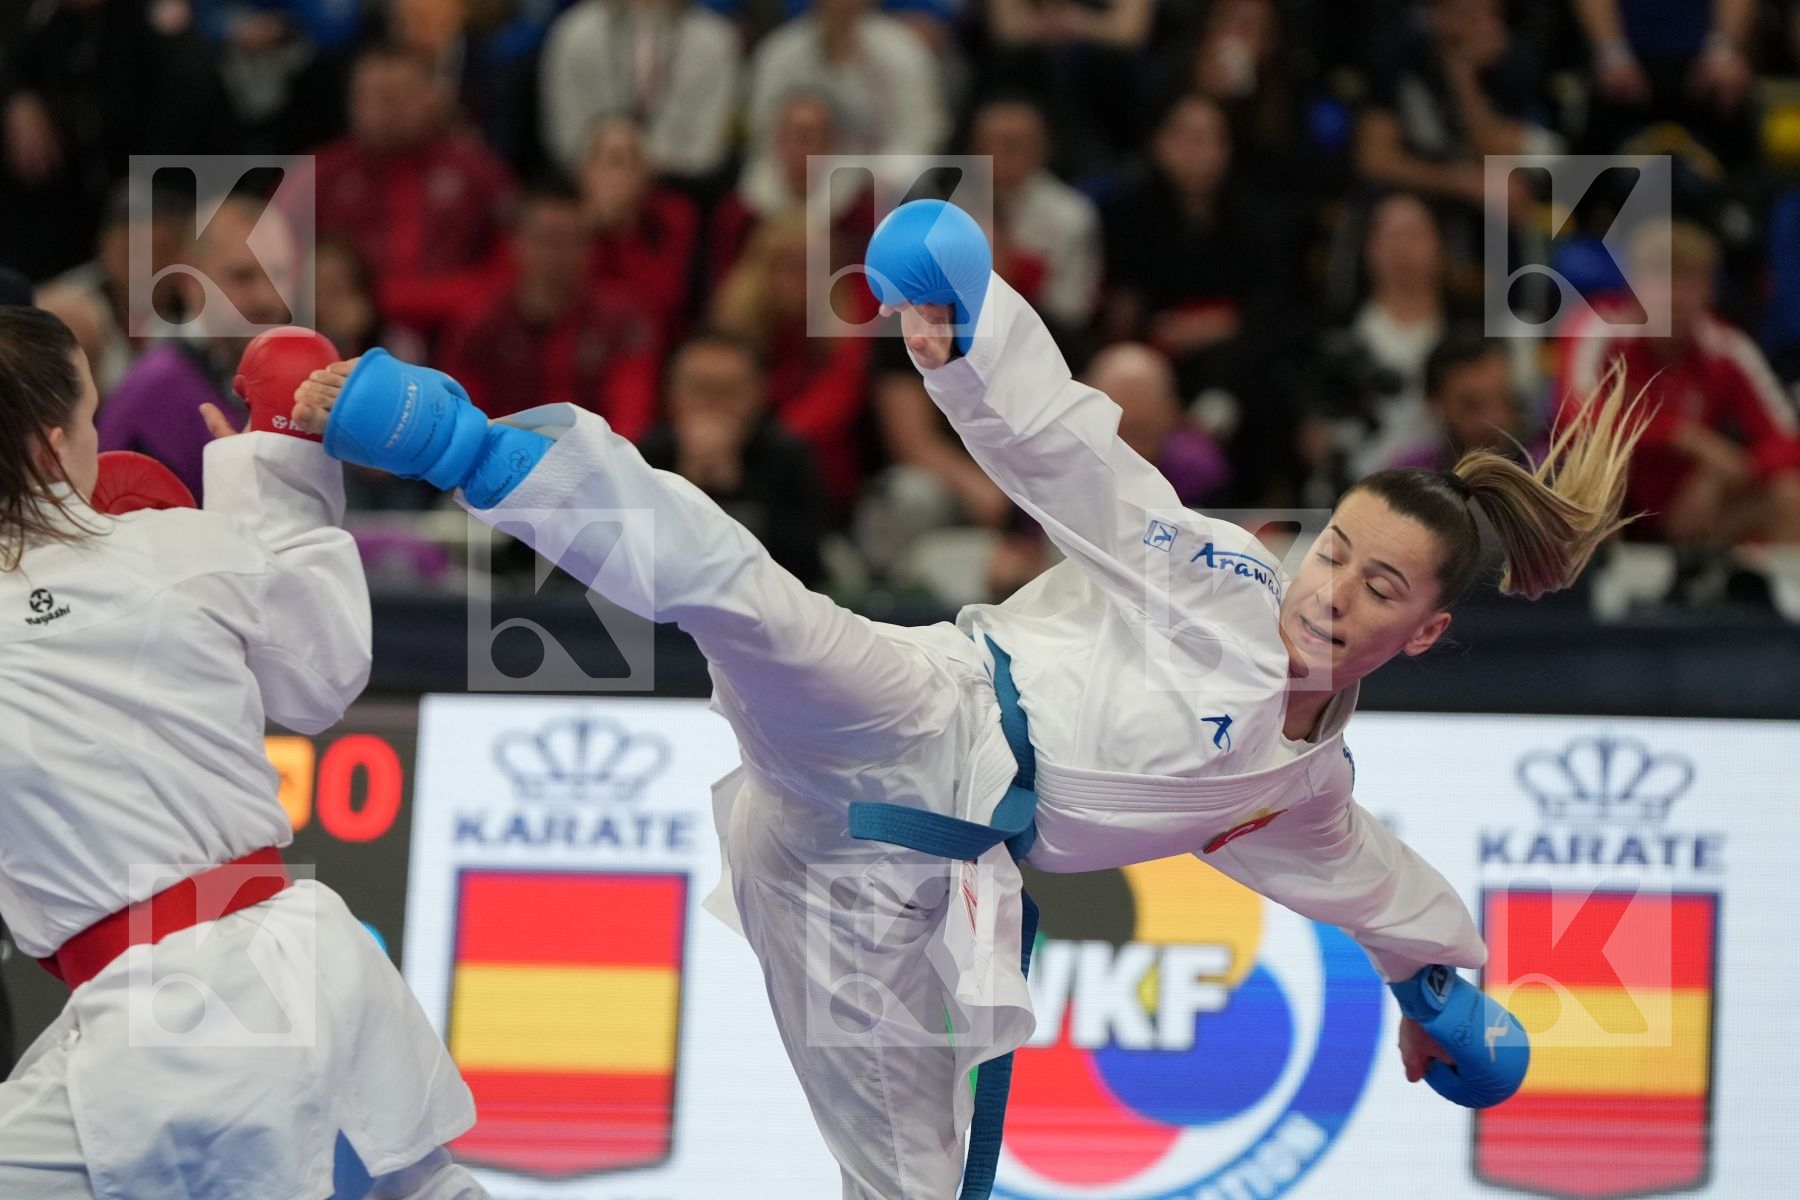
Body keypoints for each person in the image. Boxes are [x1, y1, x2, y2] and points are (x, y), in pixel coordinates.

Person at [289, 201, 1635, 1200]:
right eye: (1336, 549)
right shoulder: (1222, 578)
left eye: (1382, 588)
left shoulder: (1298, 791)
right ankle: (458, 443)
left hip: (889, 900)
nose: (1335, 589)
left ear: (1426, 631)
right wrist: (968, 336)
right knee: (750, 604)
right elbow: (1077, 466)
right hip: (919, 719)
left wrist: (1443, 999)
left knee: (919, 1193)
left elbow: (1375, 886)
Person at [0, 311, 485, 1198]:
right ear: (50, 448)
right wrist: (280, 474)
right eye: (95, 419)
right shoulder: (177, 551)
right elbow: (320, 677)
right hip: (304, 967)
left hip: (177, 1025)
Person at [1560, 218, 1800, 546]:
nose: (1674, 297)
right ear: (1634, 285)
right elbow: (1577, 417)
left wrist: (1723, 474)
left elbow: (1787, 439)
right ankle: (1586, 586)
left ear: (1711, 291)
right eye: (1660, 280)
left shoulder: (1727, 348)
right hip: (1610, 499)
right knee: (1601, 464)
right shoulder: (1598, 330)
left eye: (1688, 282)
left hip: (1693, 509)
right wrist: (1682, 436)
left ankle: (1762, 594)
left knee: (1787, 494)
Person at [98, 192, 302, 502]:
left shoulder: (305, 378)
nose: (267, 298)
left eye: (279, 274)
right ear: (190, 280)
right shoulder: (154, 393)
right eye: (242, 276)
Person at [310, 42, 516, 336]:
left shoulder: (478, 173)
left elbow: (512, 267)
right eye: (372, 97)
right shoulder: (319, 174)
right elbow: (273, 264)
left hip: (458, 334)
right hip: (345, 340)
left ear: (434, 97)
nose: (384, 111)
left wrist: (386, 301)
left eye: (398, 97)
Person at [438, 183, 662, 437]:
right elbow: (467, 419)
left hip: (599, 465)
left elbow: (630, 421)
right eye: (546, 240)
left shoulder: (622, 319)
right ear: (514, 243)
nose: (557, 256)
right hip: (503, 466)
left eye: (571, 241)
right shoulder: (480, 322)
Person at [639, 332, 832, 585]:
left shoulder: (787, 457)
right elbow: (619, 558)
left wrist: (738, 486)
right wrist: (682, 487)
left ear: (758, 394)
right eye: (698, 389)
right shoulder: (646, 456)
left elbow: (810, 564)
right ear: (670, 393)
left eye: (728, 391)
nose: (711, 405)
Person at [540, 0, 742, 182]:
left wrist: (642, 165)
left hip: (681, 183)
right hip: (587, 181)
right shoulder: (575, 32)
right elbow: (566, 137)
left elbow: (709, 146)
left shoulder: (715, 40)